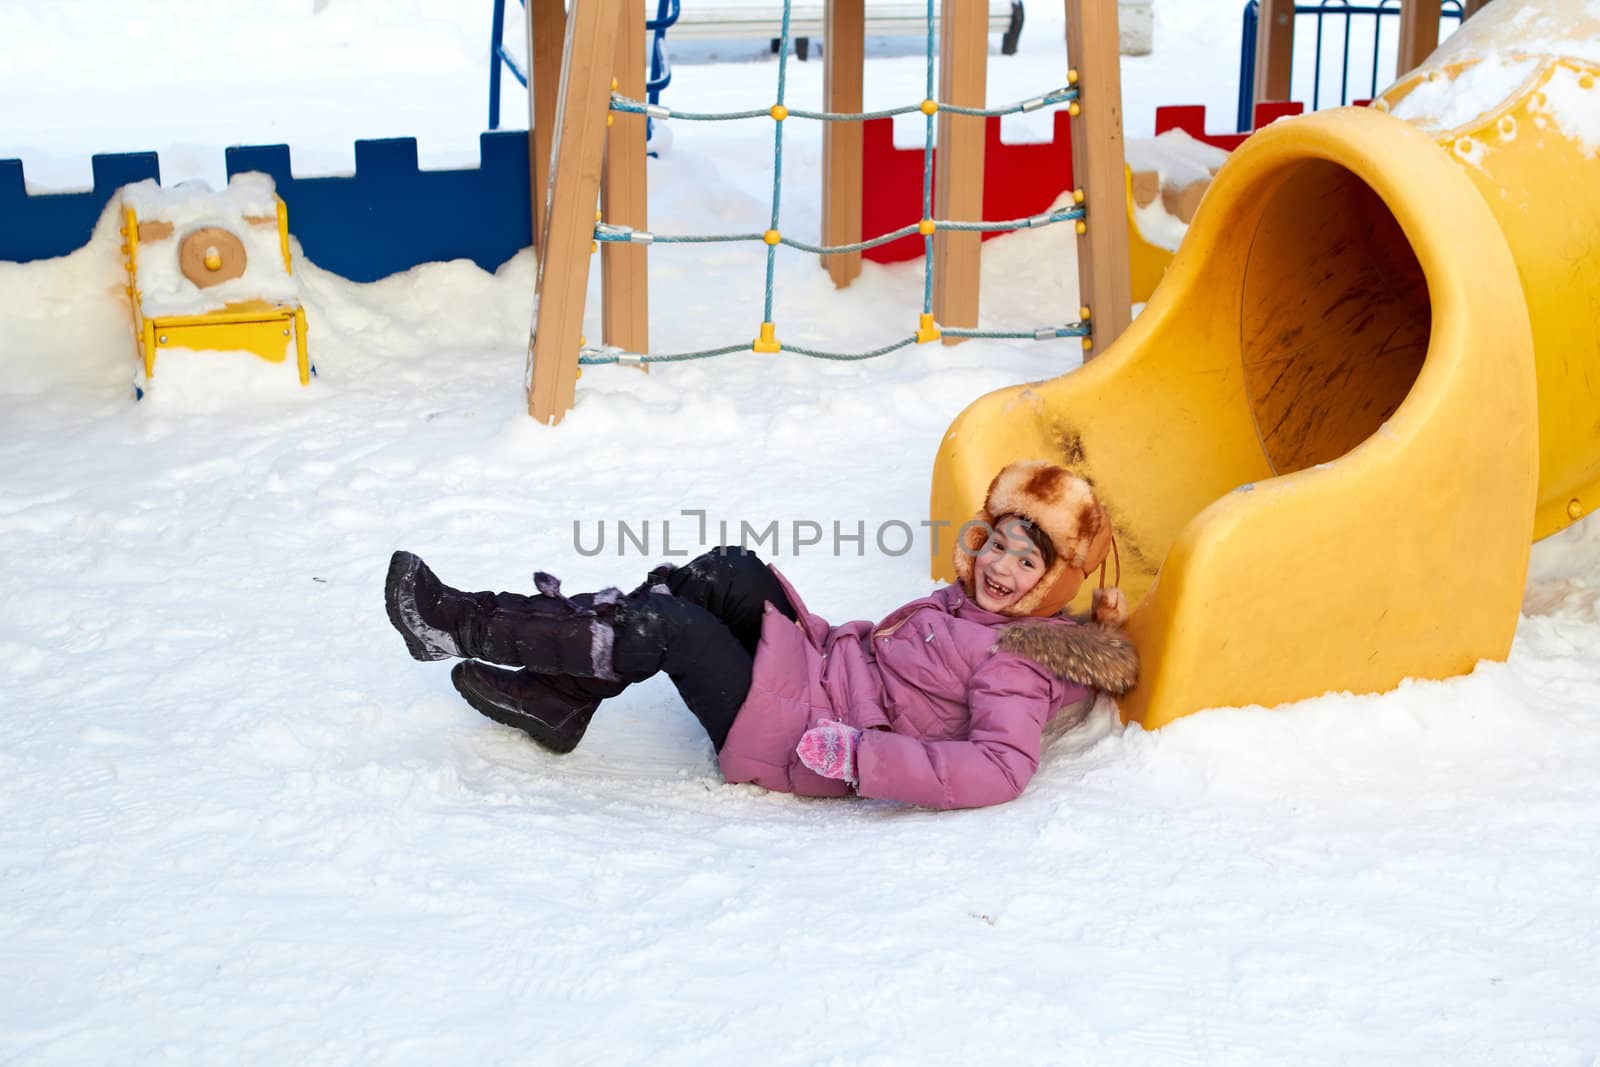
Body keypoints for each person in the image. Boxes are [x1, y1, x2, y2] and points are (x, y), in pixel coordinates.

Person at [383, 460, 1138, 810]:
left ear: (1055, 580)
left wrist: (863, 757)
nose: (1001, 567)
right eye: (998, 543)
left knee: (667, 627)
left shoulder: (1020, 660)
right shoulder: (977, 605)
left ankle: (465, 624)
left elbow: (999, 768)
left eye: (1026, 559)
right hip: (816, 668)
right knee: (733, 569)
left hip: (804, 731)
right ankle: (562, 697)